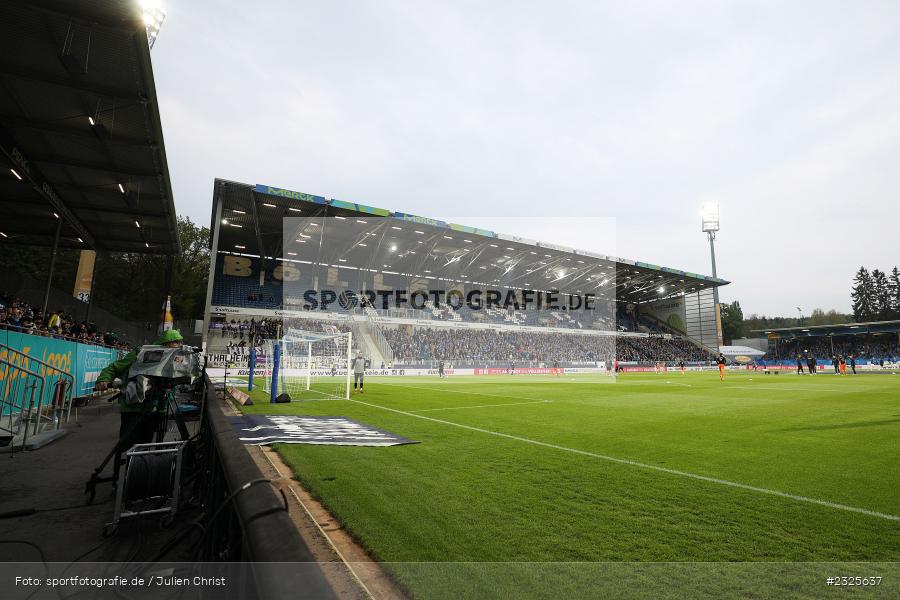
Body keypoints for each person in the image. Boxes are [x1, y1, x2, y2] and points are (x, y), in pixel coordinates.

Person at [95, 329, 185, 453]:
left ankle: (138, 468)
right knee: (128, 446)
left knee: (144, 447)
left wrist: (162, 409)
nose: (180, 345)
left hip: (154, 409)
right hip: (133, 408)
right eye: (177, 342)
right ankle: (128, 468)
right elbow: (114, 367)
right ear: (167, 343)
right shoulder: (141, 352)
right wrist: (103, 380)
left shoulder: (174, 360)